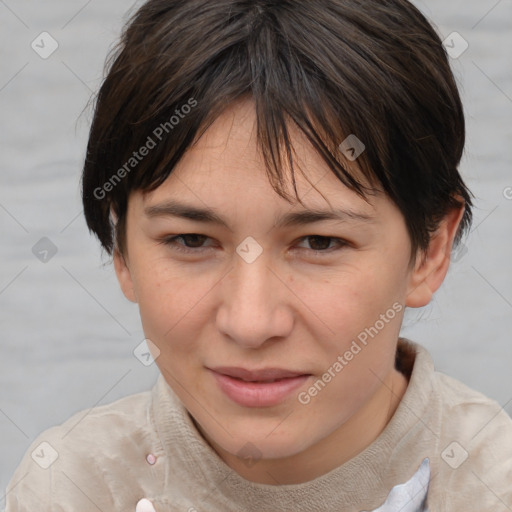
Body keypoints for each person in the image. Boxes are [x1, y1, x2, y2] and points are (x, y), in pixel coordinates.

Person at [5, 0, 512, 510]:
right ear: (122, 248)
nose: (250, 323)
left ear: (430, 251)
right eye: (191, 241)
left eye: (319, 243)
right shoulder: (73, 488)